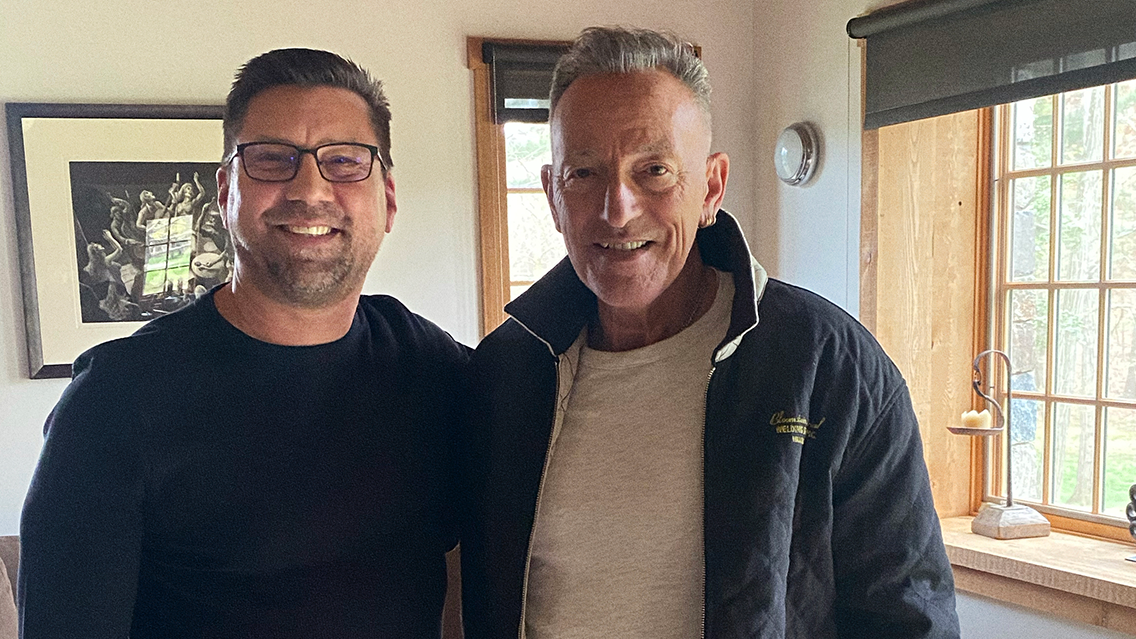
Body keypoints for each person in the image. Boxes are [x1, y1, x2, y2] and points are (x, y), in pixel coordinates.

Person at [461, 26, 959, 638]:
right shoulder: (506, 372)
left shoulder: (829, 366)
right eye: (584, 173)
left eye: (654, 171)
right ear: (552, 196)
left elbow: (909, 620)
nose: (617, 210)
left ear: (711, 187)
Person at [20, 48, 468, 638]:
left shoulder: (432, 368)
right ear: (226, 190)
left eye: (343, 161)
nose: (310, 188)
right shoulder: (116, 402)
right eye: (272, 160)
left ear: (386, 198)